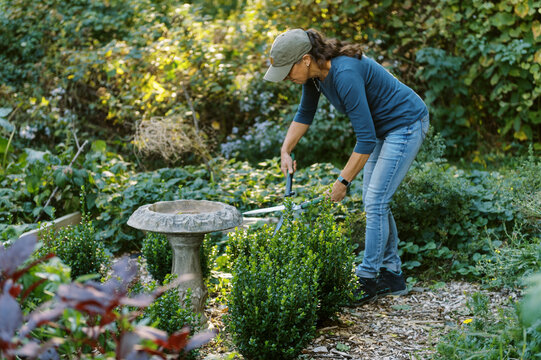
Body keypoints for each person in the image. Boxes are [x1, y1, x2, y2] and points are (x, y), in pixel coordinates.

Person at [263, 28, 429, 304]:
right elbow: (305, 113)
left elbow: (364, 139)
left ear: (305, 59)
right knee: (374, 200)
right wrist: (285, 149)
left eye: (287, 70)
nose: (286, 78)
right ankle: (393, 275)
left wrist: (342, 182)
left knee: (375, 200)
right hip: (382, 130)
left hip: (405, 125)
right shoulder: (315, 76)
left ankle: (367, 279)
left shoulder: (344, 73)